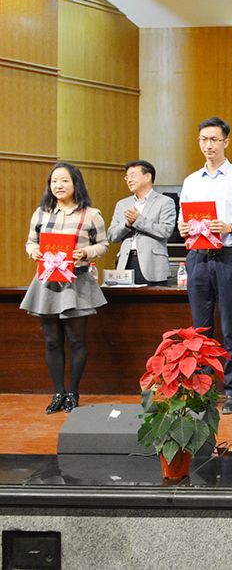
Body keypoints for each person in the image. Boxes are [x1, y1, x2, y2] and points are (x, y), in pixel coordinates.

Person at [178, 117, 232, 415]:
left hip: (228, 257)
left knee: (230, 328)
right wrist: (183, 228)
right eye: (204, 139)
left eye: (214, 139)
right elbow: (184, 220)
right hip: (197, 258)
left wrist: (231, 226)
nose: (209, 145)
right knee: (200, 330)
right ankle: (203, 391)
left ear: (226, 142)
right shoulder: (191, 181)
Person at [20, 163, 109, 414]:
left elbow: (103, 244)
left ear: (75, 184)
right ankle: (58, 392)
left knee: (77, 339)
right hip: (47, 282)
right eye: (54, 181)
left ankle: (73, 392)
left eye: (64, 181)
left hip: (76, 282)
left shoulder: (91, 214)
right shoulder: (41, 213)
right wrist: (33, 251)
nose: (58, 185)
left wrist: (87, 252)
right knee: (51, 340)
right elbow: (30, 242)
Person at [108, 160, 176, 286]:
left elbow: (166, 231)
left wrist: (138, 220)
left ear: (147, 177)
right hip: (126, 263)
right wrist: (127, 225)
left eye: (133, 176)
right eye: (127, 177)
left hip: (153, 265)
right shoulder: (122, 204)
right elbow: (112, 235)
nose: (129, 180)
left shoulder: (165, 202)